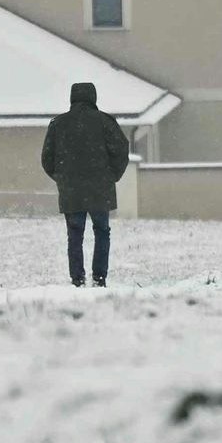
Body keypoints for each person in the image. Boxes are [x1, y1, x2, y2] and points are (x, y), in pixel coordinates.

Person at [39, 79, 128, 287]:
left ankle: (77, 278)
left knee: (75, 234)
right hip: (100, 188)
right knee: (102, 232)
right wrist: (112, 176)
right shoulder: (106, 122)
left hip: (72, 191)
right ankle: (99, 278)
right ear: (93, 97)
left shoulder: (58, 124)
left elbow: (47, 159)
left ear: (72, 98)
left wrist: (62, 178)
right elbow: (122, 150)